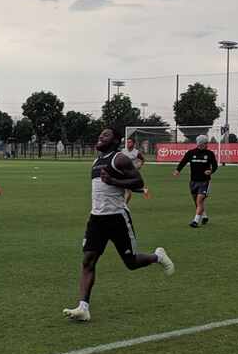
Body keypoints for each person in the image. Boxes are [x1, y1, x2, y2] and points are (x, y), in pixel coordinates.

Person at [63, 128, 175, 322]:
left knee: (131, 263)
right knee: (88, 261)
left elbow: (139, 181)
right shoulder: (96, 161)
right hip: (96, 218)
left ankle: (158, 256)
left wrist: (113, 180)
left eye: (106, 135)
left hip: (117, 218)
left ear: (115, 140)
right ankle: (83, 307)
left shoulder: (119, 159)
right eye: (100, 134)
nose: (100, 136)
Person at [173, 134, 218, 228]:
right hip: (193, 181)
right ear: (201, 143)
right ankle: (204, 216)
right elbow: (183, 162)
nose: (207, 144)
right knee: (197, 202)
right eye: (206, 143)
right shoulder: (191, 153)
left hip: (205, 181)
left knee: (200, 200)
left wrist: (211, 171)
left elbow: (215, 166)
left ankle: (195, 221)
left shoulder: (210, 154)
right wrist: (177, 170)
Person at [121, 137, 148, 203]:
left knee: (128, 190)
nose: (128, 143)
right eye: (127, 142)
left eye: (130, 142)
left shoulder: (136, 152)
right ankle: (143, 190)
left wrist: (139, 165)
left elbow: (143, 160)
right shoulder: (123, 151)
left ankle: (124, 205)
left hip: (131, 173)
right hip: (123, 172)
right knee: (125, 188)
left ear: (134, 143)